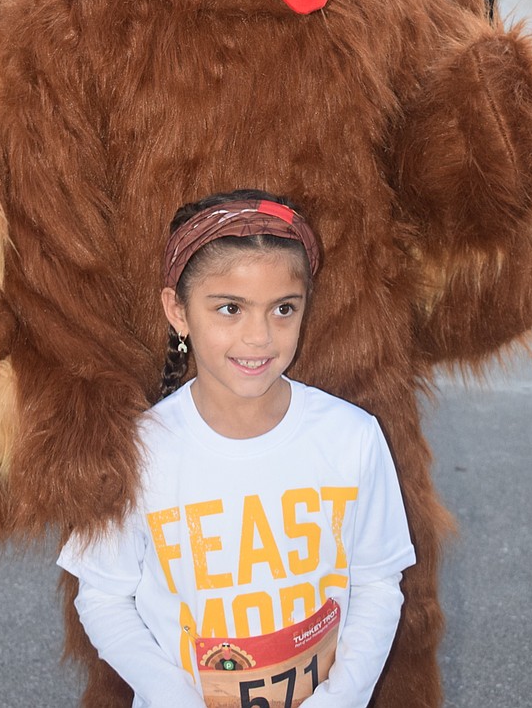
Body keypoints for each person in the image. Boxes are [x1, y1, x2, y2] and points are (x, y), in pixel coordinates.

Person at [59, 190, 415, 707]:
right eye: (230, 308)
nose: (260, 337)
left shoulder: (352, 437)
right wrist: (174, 697)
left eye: (283, 309)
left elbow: (378, 584)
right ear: (178, 312)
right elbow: (104, 598)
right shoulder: (136, 452)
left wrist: (339, 700)